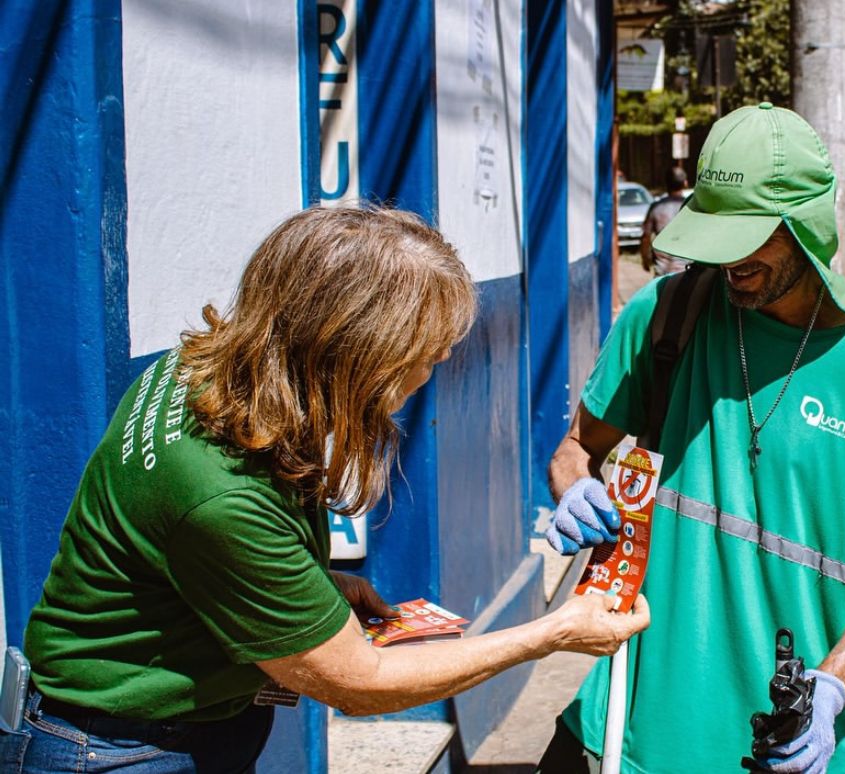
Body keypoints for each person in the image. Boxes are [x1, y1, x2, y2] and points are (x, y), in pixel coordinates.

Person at [0, 207, 649, 773]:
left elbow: (174, 563)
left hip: (170, 730)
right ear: (346, 352)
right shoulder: (219, 497)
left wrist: (312, 585)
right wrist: (555, 631)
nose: (435, 365)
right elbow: (358, 684)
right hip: (125, 750)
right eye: (420, 352)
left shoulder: (196, 373)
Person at [539, 104, 845, 773]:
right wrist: (574, 486)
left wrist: (836, 681)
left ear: (808, 226)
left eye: (749, 237)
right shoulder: (665, 315)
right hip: (617, 733)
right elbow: (575, 447)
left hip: (779, 748)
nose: (726, 260)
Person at [639, 166, 690, 276]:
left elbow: (645, 238)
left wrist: (645, 259)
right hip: (687, 272)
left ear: (666, 184)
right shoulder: (690, 208)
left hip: (662, 273)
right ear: (685, 183)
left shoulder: (656, 207)